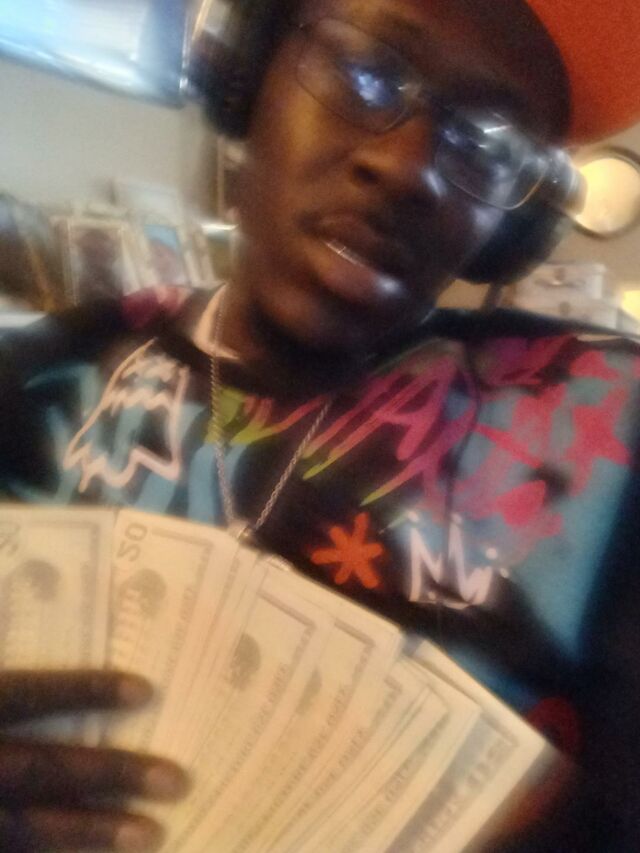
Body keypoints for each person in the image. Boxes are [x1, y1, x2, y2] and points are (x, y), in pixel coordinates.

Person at [1, 0, 640, 849]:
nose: (409, 168)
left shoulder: (603, 432)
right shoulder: (35, 386)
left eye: (488, 142)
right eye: (367, 73)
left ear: (510, 230)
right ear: (248, 71)